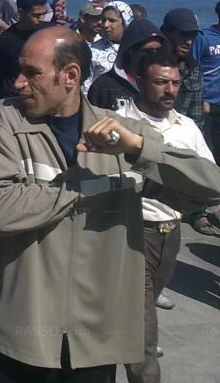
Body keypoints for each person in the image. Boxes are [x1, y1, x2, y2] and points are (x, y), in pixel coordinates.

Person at [0, 27, 220, 383]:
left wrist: (139, 149)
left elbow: (210, 188)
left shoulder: (123, 133)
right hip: (20, 337)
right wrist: (88, 186)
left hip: (93, 344)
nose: (18, 83)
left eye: (31, 73)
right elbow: (3, 206)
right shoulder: (7, 121)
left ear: (70, 75)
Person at [116, 48, 216, 383]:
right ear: (139, 81)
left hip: (170, 232)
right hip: (131, 233)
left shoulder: (187, 127)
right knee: (142, 327)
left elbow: (208, 180)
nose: (170, 89)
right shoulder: (118, 122)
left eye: (174, 82)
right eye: (161, 82)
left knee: (140, 310)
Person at [160, 8, 218, 237]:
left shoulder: (193, 69)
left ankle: (197, 211)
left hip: (183, 132)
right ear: (167, 32)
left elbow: (195, 116)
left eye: (192, 36)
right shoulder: (149, 65)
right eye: (183, 34)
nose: (189, 41)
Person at [0, 0, 51, 117]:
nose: (41, 19)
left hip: (45, 101)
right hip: (16, 104)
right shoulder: (5, 41)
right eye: (36, 15)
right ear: (21, 12)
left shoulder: (50, 33)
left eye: (43, 14)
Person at [88, 19, 165, 112]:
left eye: (158, 51)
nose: (154, 55)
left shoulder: (167, 85)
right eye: (147, 51)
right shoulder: (103, 87)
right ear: (131, 51)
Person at [192, 0, 220, 160]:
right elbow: (191, 67)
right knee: (208, 150)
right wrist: (200, 99)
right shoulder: (204, 37)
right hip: (208, 104)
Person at [85, 0, 134, 92]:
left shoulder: (136, 49)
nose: (105, 25)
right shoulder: (92, 51)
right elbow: (85, 87)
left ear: (125, 22)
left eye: (112, 21)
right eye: (103, 20)